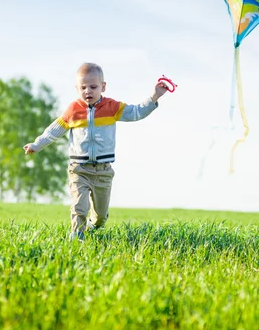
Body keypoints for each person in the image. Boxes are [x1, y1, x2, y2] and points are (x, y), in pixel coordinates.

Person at [23, 62, 169, 240]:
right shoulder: (73, 111)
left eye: (93, 87)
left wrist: (154, 96)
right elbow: (54, 130)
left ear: (103, 87)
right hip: (79, 169)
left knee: (100, 217)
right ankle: (77, 236)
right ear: (77, 88)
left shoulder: (112, 107)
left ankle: (94, 225)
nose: (88, 91)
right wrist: (36, 145)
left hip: (103, 171)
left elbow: (136, 112)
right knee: (79, 207)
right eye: (83, 87)